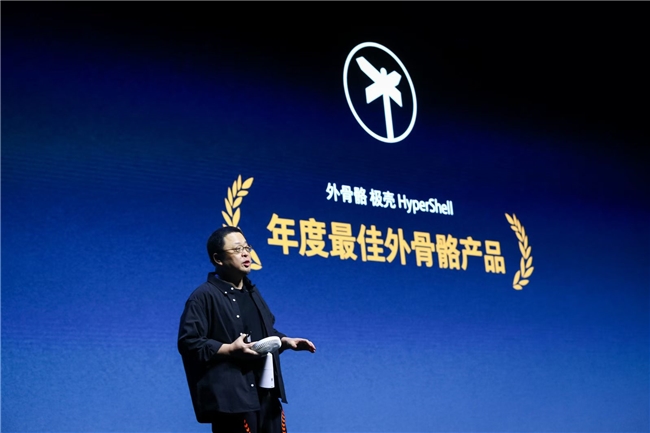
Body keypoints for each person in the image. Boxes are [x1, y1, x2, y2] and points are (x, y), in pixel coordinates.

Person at [178, 226, 316, 433]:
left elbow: (264, 334)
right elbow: (189, 343)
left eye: (246, 248)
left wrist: (285, 341)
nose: (245, 253)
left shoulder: (252, 293)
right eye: (237, 249)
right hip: (234, 402)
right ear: (218, 259)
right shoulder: (203, 296)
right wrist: (229, 349)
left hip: (267, 396)